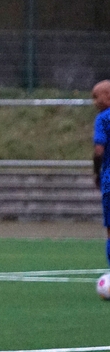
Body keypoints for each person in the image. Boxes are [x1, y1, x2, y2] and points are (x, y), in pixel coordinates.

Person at [92, 79, 110, 267]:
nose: (94, 102)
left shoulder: (103, 118)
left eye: (96, 97)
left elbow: (99, 151)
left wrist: (96, 172)